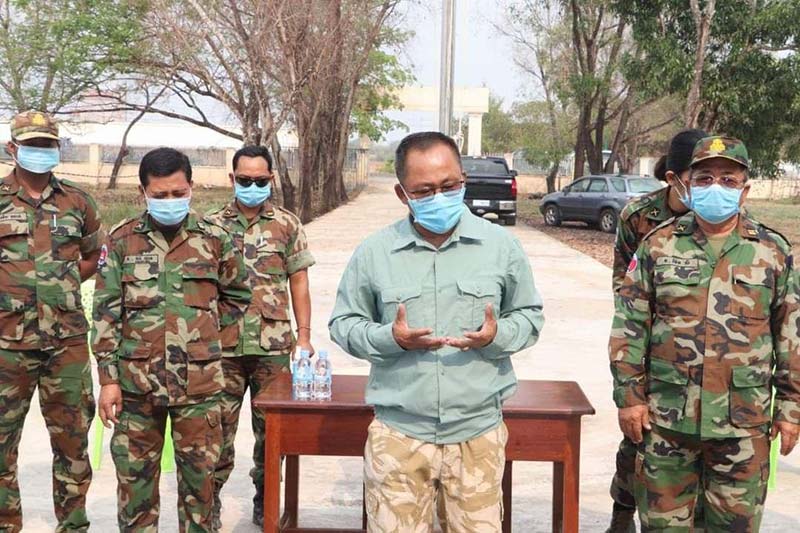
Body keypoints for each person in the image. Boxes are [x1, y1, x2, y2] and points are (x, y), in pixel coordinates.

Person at [329, 131, 544, 531]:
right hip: (399, 436)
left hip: (477, 434)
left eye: (449, 186)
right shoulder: (375, 252)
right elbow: (343, 324)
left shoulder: (501, 246)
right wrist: (390, 339)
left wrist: (496, 336)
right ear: (402, 194)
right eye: (425, 191)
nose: (439, 197)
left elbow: (530, 317)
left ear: (464, 180)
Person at [609, 136, 800, 531]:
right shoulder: (658, 245)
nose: (716, 187)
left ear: (745, 190)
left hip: (742, 424)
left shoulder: (772, 250)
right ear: (688, 184)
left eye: (728, 180)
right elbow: (629, 325)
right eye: (705, 178)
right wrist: (629, 398)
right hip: (666, 421)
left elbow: (790, 334)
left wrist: (790, 408)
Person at [91, 147, 251, 532]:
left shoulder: (216, 238)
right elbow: (106, 312)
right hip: (136, 388)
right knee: (135, 487)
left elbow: (237, 296)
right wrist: (109, 380)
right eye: (160, 195)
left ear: (191, 187)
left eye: (179, 193)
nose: (170, 201)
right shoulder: (121, 240)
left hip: (200, 386)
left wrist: (206, 338)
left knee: (200, 486)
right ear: (142, 193)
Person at [0, 110, 101, 533]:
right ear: (13, 147)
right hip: (7, 346)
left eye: (47, 144)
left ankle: (73, 526)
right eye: (32, 144)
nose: (40, 151)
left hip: (67, 345)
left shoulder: (77, 202)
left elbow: (93, 256)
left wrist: (60, 285)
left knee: (73, 444)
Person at [204, 145, 315, 527]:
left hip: (273, 347)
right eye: (244, 180)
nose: (252, 186)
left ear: (271, 179)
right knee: (215, 431)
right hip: (222, 347)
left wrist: (304, 337)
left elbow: (299, 281)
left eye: (260, 180)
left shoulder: (287, 224)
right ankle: (209, 503)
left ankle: (264, 500)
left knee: (272, 434)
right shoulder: (210, 226)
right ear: (232, 179)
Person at [606, 129, 706, 532]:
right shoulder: (639, 216)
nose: (709, 186)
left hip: (706, 350)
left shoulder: (723, 217)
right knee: (639, 439)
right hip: (651, 349)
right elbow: (624, 287)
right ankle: (623, 508)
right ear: (673, 177)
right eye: (697, 176)